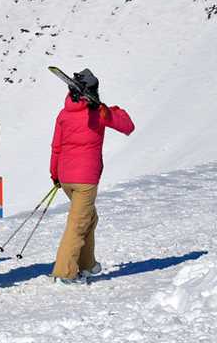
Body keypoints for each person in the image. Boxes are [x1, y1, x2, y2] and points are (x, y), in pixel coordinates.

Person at [48, 68, 135, 284]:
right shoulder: (98, 113)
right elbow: (128, 126)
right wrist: (107, 108)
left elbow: (56, 147)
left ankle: (87, 265)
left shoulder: (64, 114)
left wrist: (55, 173)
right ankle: (65, 273)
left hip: (66, 178)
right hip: (85, 179)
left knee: (89, 218)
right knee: (77, 224)